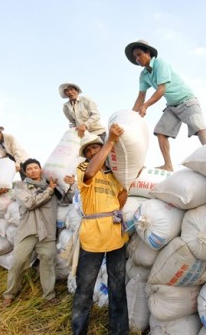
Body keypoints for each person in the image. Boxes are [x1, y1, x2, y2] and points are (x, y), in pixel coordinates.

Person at [72, 124, 129, 335]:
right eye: (89, 151)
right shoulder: (84, 169)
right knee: (84, 289)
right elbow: (91, 171)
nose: (92, 152)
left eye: (96, 148)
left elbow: (120, 202)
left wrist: (128, 182)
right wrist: (110, 141)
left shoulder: (113, 175)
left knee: (117, 287)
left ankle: (119, 331)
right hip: (92, 236)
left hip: (115, 235)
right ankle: (79, 331)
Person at [125, 39, 206, 172]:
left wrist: (146, 106)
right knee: (160, 131)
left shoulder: (160, 63)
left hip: (187, 100)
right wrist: (130, 117)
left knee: (198, 125)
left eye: (139, 54)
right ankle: (168, 165)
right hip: (172, 106)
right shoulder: (143, 75)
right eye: (135, 57)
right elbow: (141, 97)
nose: (137, 58)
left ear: (148, 52)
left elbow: (161, 89)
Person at [2, 158, 69, 307]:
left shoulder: (53, 186)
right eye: (29, 169)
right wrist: (49, 190)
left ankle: (49, 296)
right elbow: (30, 203)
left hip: (47, 233)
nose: (33, 170)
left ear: (41, 169)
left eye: (35, 167)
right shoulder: (21, 186)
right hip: (27, 232)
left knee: (48, 263)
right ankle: (9, 294)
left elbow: (67, 200)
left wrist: (70, 185)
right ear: (25, 172)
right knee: (17, 263)